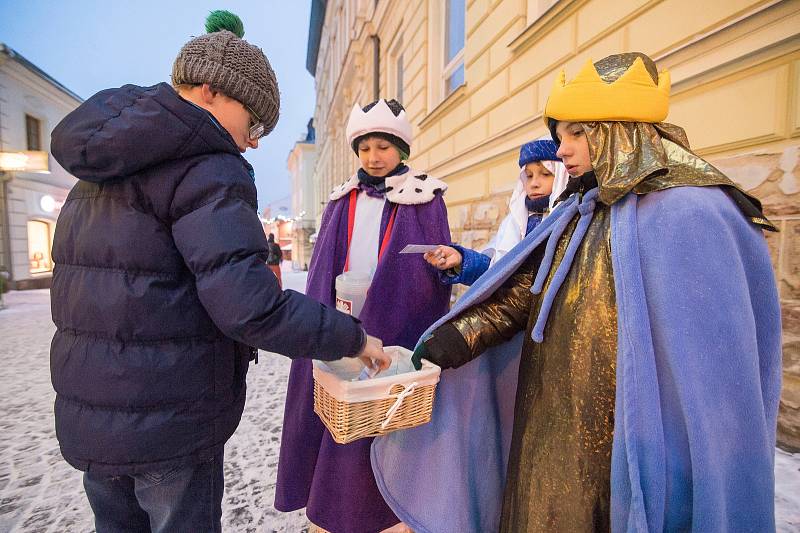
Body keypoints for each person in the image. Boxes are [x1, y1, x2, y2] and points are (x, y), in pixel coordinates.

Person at [372, 52, 782, 532]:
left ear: (617, 130)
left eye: (577, 133)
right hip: (552, 423)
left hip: (638, 438)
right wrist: (444, 345)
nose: (561, 149)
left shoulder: (691, 212)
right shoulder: (579, 212)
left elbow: (713, 378)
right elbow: (520, 294)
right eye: (560, 134)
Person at [48, 11, 389, 533]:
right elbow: (251, 308)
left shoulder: (99, 169)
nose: (253, 142)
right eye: (253, 123)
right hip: (170, 422)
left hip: (93, 420)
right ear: (210, 91)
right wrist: (352, 337)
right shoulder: (205, 166)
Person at [275, 98, 452, 533]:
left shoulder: (425, 198)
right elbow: (323, 268)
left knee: (390, 416)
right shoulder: (342, 200)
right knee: (343, 413)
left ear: (401, 149)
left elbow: (433, 267)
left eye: (383, 147)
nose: (373, 157)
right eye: (366, 147)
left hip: (398, 321)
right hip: (344, 320)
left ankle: (394, 508)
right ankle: (339, 505)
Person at [424, 139, 569, 286]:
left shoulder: (571, 220)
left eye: (545, 174)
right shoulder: (513, 222)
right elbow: (495, 271)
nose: (534, 183)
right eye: (529, 176)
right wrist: (461, 260)